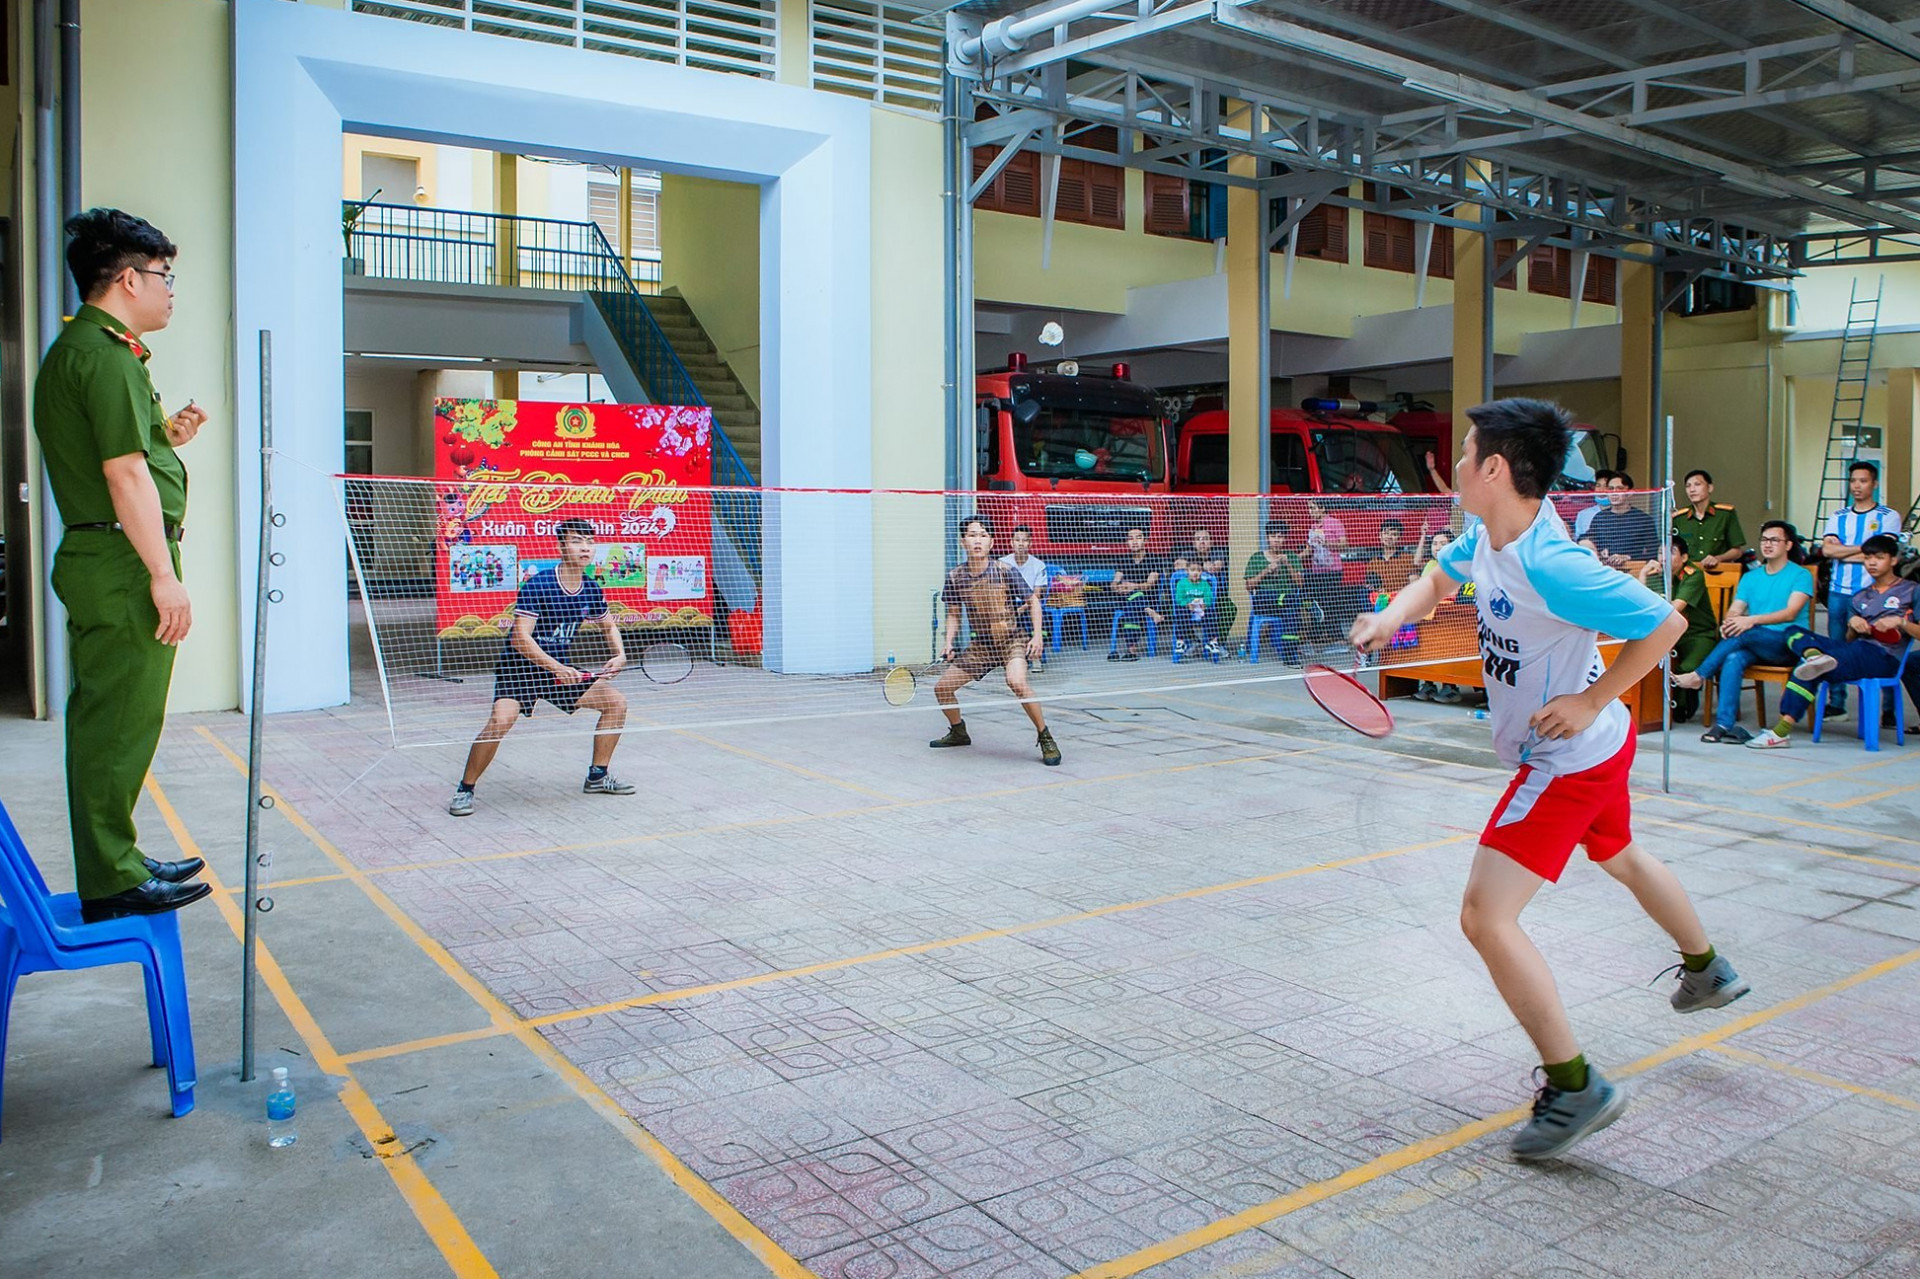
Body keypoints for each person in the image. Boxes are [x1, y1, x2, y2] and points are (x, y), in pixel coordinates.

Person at [1351, 397, 1748, 1164]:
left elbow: (1664, 623)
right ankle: (1707, 968)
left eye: (1465, 454)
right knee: (1620, 854)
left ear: (1495, 469)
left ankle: (1575, 1086)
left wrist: (1591, 697)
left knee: (1484, 916)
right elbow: (1434, 580)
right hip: (1602, 749)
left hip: (1568, 757)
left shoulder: (1551, 561)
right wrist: (1385, 618)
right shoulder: (1488, 535)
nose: (1456, 465)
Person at [33, 209, 210, 920]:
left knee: (119, 717)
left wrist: (167, 437)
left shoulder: (95, 351)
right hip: (122, 558)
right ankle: (110, 878)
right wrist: (162, 574)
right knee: (117, 721)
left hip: (109, 550)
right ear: (129, 277)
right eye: (165, 276)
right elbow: (123, 475)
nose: (171, 290)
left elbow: (128, 454)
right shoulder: (105, 355)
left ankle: (119, 856)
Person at [448, 519, 633, 816]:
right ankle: (465, 789)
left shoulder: (590, 589)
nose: (585, 547)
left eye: (589, 541)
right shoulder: (540, 584)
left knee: (616, 704)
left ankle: (597, 777)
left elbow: (608, 626)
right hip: (519, 669)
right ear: (561, 547)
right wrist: (556, 667)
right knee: (500, 722)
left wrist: (620, 654)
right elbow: (521, 638)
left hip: (557, 670)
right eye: (576, 541)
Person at [1748, 534, 1917, 749]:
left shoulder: (1911, 590)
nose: (1872, 563)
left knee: (1813, 668)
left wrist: (1901, 622)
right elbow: (1849, 640)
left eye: (1879, 557)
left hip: (1885, 657)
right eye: (1867, 558)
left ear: (1893, 560)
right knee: (1794, 632)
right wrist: (1853, 626)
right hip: (1855, 650)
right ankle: (1814, 656)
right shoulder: (1860, 596)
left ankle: (1781, 731)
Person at [929, 515, 1060, 765]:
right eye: (972, 535)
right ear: (963, 541)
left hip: (1012, 640)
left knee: (1017, 682)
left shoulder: (1004, 570)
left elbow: (1033, 600)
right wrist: (948, 642)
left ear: (991, 541)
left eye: (983, 535)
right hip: (982, 646)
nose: (977, 540)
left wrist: (1036, 635)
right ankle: (958, 732)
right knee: (942, 689)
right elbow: (954, 613)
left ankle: (1045, 737)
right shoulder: (955, 576)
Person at [1672, 521, 1815, 743]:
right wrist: (1730, 622)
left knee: (1746, 633)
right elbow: (1735, 610)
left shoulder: (1800, 575)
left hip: (1788, 642)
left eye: (1774, 540)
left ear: (1788, 545)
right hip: (1756, 643)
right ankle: (1723, 724)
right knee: (1733, 657)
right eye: (1764, 540)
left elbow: (1790, 613)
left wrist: (1749, 621)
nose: (1767, 545)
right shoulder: (1751, 577)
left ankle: (1699, 675)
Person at [1819, 461, 1902, 718]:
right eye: (1853, 480)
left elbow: (1884, 551)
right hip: (1839, 591)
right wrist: (1865, 549)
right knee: (1836, 646)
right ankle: (1837, 702)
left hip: (1877, 593)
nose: (1857, 486)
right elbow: (1827, 550)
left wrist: (1844, 551)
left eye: (1863, 481)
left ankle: (1888, 709)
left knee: (1883, 645)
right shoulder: (1838, 516)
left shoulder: (1888, 516)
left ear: (1874, 484)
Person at [1638, 536, 1718, 723]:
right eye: (1660, 552)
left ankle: (1682, 707)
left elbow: (1673, 609)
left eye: (1671, 552)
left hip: (1697, 634)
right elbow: (1641, 605)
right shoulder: (1655, 573)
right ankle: (1654, 710)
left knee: (1685, 669)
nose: (1663, 557)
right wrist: (1642, 575)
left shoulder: (1693, 575)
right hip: (1667, 633)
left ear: (1684, 558)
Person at [1244, 521, 1306, 663]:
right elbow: (1249, 586)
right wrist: (1266, 571)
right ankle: (1307, 604)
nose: (1277, 540)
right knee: (1293, 603)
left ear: (1285, 539)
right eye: (1273, 536)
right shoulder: (1257, 557)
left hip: (1286, 604)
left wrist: (1287, 564)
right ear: (1267, 538)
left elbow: (1300, 584)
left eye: (1280, 536)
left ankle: (1290, 656)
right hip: (1263, 601)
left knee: (1292, 612)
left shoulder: (1291, 557)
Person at [1107, 526, 1165, 661]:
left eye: (1138, 538)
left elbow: (1150, 585)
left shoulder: (1154, 559)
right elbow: (1114, 583)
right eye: (1130, 538)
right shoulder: (1124, 560)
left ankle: (1132, 649)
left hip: (1148, 597)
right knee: (1132, 599)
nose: (1134, 541)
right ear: (1127, 542)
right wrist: (1118, 587)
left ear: (1145, 541)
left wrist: (1133, 586)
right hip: (1125, 598)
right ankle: (1150, 612)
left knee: (1134, 600)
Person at [1671, 469, 1746, 570]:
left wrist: (1718, 558)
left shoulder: (1725, 514)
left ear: (1710, 488)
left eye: (1697, 484)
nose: (1692, 490)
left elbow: (1737, 551)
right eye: (1688, 486)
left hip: (1716, 574)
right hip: (1687, 576)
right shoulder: (1679, 518)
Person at [998, 524, 1048, 669]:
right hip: (1007, 603)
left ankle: (1035, 656)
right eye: (1017, 540)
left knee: (1030, 619)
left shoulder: (1038, 565)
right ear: (1011, 542)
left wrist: (1021, 609)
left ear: (1030, 543)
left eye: (1024, 540)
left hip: (1029, 604)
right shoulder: (1002, 563)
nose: (1021, 544)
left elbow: (1037, 594)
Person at [1582, 471, 1660, 565]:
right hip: (1605, 570)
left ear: (1630, 493)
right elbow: (1587, 539)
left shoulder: (1644, 520)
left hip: (1633, 571)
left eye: (1619, 489)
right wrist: (1596, 550)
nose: (1614, 493)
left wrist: (1628, 557)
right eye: (1611, 489)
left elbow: (1653, 552)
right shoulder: (1600, 518)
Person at [1303, 498, 1349, 641]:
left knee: (1332, 602)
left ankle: (1337, 636)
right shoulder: (1312, 527)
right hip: (1317, 570)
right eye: (1309, 508)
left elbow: (1344, 545)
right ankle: (1317, 636)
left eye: (1313, 508)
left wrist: (1326, 543)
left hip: (1333, 570)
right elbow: (1309, 550)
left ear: (1322, 508)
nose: (1310, 512)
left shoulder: (1334, 523)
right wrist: (1294, 558)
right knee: (1317, 603)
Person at [1172, 561, 1224, 660]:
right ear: (1187, 571)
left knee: (1212, 614)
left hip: (1201, 608)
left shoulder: (1205, 584)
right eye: (1192, 570)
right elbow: (1179, 599)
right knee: (1180, 614)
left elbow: (1209, 597)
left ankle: (1213, 642)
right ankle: (1181, 642)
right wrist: (1187, 604)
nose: (1195, 573)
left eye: (1199, 570)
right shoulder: (1181, 583)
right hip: (1188, 608)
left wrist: (1205, 604)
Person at [1364, 519, 1417, 595]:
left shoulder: (1408, 558)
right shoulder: (1373, 562)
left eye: (1394, 534)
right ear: (1380, 536)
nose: (1389, 537)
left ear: (1399, 538)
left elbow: (1414, 585)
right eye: (1386, 533)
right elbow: (1369, 585)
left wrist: (1392, 594)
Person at [1571, 470, 1615, 541]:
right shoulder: (1583, 514)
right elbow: (1578, 539)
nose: (1601, 490)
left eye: (1606, 486)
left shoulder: (1621, 512)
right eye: (1598, 486)